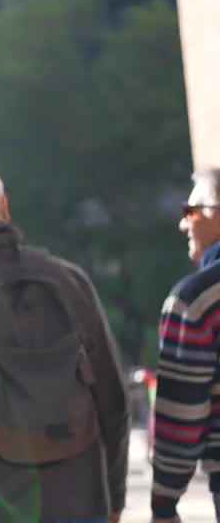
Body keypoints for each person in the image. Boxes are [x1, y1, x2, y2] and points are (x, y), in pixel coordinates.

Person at [0, 151, 129, 523]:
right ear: (4, 206)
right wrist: (114, 498)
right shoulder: (69, 280)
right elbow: (113, 400)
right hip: (81, 495)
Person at [151, 168, 220, 523]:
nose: (183, 224)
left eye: (189, 211)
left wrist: (164, 502)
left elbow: (182, 413)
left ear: (214, 212)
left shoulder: (198, 299)